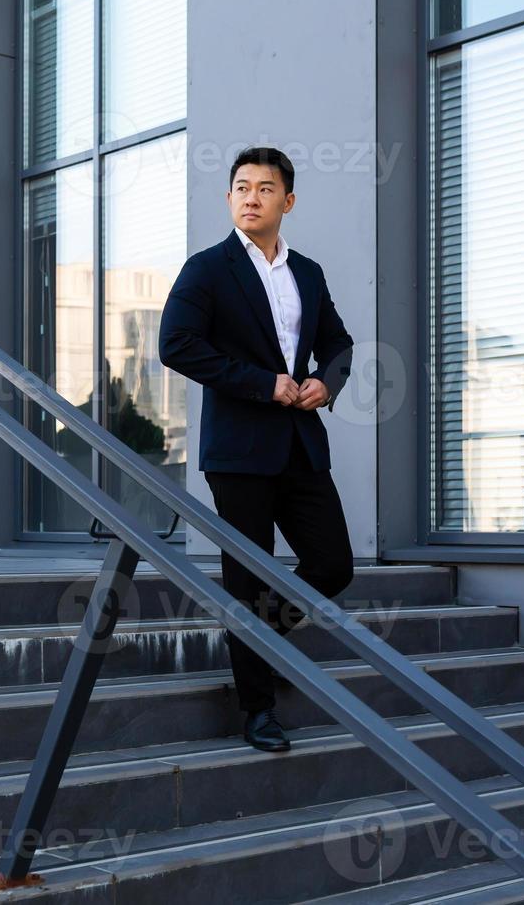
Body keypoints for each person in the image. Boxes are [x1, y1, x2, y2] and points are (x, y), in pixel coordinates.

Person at [159, 146, 355, 752]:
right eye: (241, 187)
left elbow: (339, 344)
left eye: (264, 189)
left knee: (333, 565)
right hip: (239, 449)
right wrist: (260, 382)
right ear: (229, 198)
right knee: (245, 576)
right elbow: (176, 345)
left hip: (299, 443)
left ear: (287, 201)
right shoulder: (207, 268)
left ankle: (259, 645)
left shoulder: (309, 274)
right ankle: (257, 708)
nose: (250, 197)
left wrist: (328, 382)